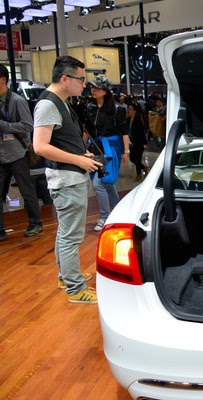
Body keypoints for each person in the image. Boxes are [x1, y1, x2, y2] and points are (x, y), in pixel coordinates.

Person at [32, 55, 103, 304]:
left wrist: (81, 155)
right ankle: (75, 288)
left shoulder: (60, 102)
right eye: (80, 79)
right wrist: (78, 160)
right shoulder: (48, 104)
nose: (84, 84)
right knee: (71, 236)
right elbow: (40, 146)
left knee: (66, 233)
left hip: (69, 177)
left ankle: (67, 277)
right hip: (66, 179)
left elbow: (59, 141)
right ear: (65, 78)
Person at [0, 64, 43, 241]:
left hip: (18, 153)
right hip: (1, 155)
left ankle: (35, 223)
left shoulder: (17, 101)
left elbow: (28, 125)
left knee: (27, 191)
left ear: (2, 80)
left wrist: (4, 125)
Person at [84, 76, 128, 232]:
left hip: (111, 148)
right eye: (92, 87)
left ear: (105, 91)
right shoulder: (90, 107)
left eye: (96, 88)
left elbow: (124, 132)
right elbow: (87, 130)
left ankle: (105, 216)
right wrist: (83, 148)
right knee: (107, 183)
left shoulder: (118, 109)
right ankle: (118, 209)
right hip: (95, 147)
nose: (93, 90)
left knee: (99, 183)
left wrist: (126, 151)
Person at [127, 103, 148, 181]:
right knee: (132, 158)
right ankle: (144, 167)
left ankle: (138, 175)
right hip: (131, 142)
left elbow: (141, 132)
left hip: (138, 142)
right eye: (128, 109)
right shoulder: (128, 120)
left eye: (130, 109)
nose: (129, 111)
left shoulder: (138, 120)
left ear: (135, 111)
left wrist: (144, 142)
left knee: (138, 158)